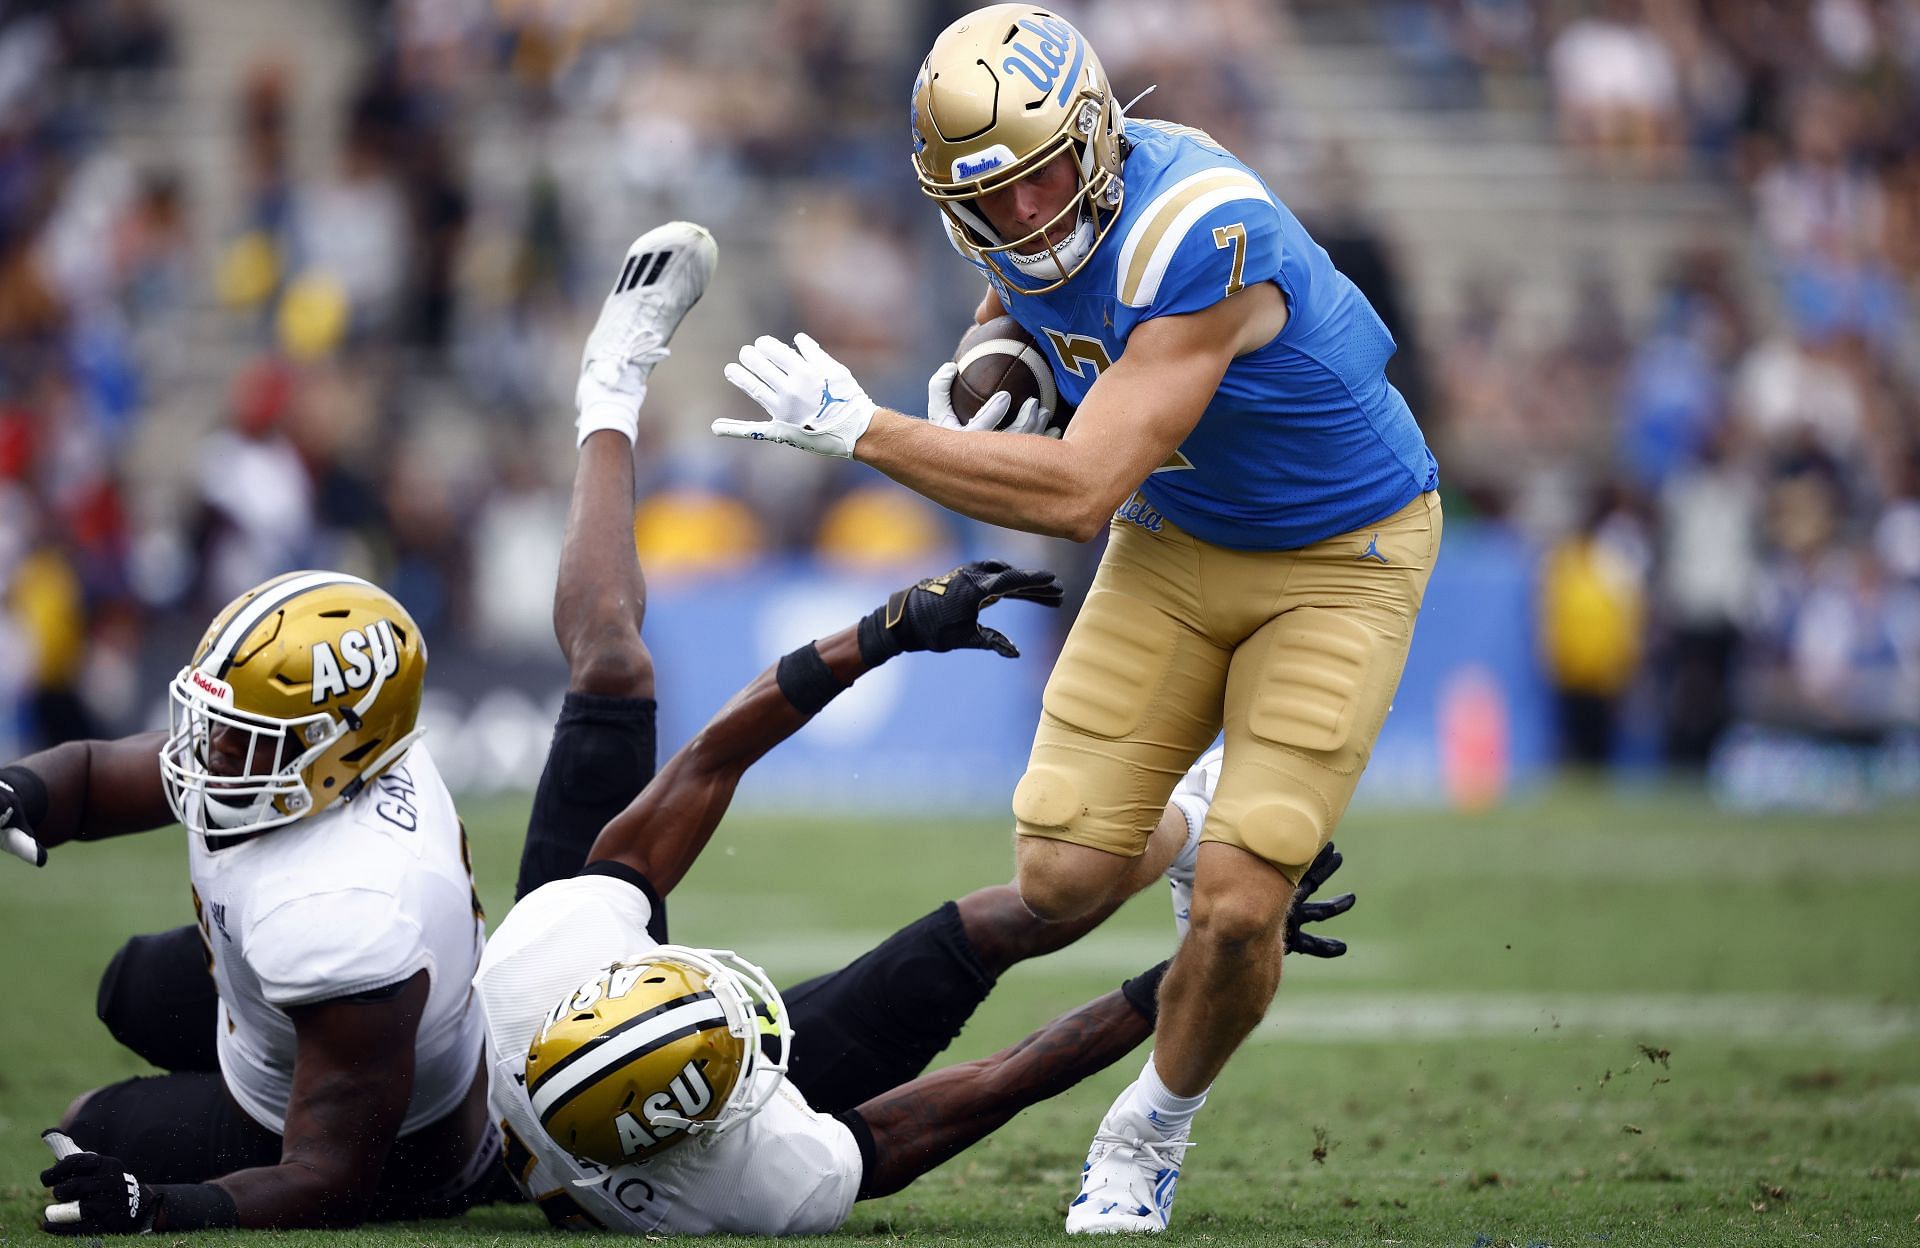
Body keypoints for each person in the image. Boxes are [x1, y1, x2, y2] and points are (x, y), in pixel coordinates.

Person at [468, 221, 1357, 1234]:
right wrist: (1191, 975)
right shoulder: (758, 1177)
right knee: (998, 923)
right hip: (529, 1129)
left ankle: (609, 388)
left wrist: (881, 632)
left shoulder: (532, 969)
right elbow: (993, 1083)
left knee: (617, 668)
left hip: (532, 1055)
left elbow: (711, 761)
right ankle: (1194, 817)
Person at [710, 2, 1441, 1233]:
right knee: (1058, 874)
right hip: (1181, 538)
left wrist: (868, 430)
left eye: (1044, 181)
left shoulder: (1197, 229)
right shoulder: (1016, 215)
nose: (1023, 218)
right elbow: (1022, 308)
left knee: (1243, 901)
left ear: (1099, 137)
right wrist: (994, 364)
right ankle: (1201, 808)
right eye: (988, 203)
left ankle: (1148, 1127)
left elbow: (1078, 490)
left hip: (1340, 554)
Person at [3, 573, 495, 1234]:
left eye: (246, 734)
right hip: (317, 1020)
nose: (217, 750)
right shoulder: (342, 756)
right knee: (133, 984)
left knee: (87, 1128)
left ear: (335, 747)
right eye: (219, 723)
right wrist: (18, 791)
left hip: (401, 1145)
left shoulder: (350, 905)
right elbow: (95, 777)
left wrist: (156, 1206)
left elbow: (328, 1180)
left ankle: (479, 1172)